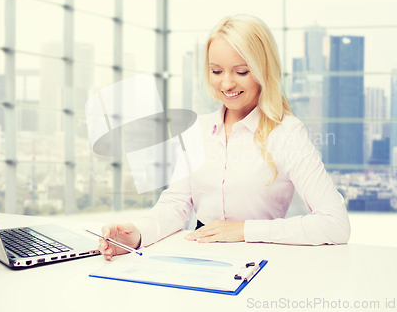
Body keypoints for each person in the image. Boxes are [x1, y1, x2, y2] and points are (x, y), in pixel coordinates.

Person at [98, 14, 351, 260]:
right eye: (216, 71)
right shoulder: (198, 129)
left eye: (241, 72)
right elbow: (175, 204)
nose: (227, 84)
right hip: (199, 259)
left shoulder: (286, 133)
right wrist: (137, 235)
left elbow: (336, 224)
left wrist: (243, 230)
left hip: (259, 262)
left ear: (264, 71)